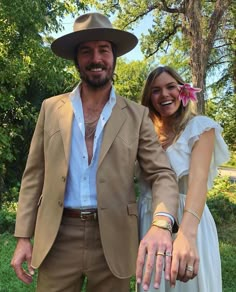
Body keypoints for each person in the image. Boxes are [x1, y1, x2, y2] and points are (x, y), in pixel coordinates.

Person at [11, 13, 182, 292]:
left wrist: (162, 223)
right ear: (76, 60)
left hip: (114, 238)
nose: (96, 58)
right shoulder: (50, 108)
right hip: (57, 237)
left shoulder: (136, 115)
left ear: (114, 57)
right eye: (86, 51)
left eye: (104, 50)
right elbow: (34, 175)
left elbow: (162, 173)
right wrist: (22, 237)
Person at [138, 66, 230, 292]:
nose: (165, 95)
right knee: (154, 284)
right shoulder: (144, 133)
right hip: (151, 220)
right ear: (149, 98)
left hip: (188, 218)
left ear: (183, 91)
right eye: (156, 90)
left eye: (171, 87)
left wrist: (186, 236)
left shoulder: (200, 127)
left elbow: (198, 183)